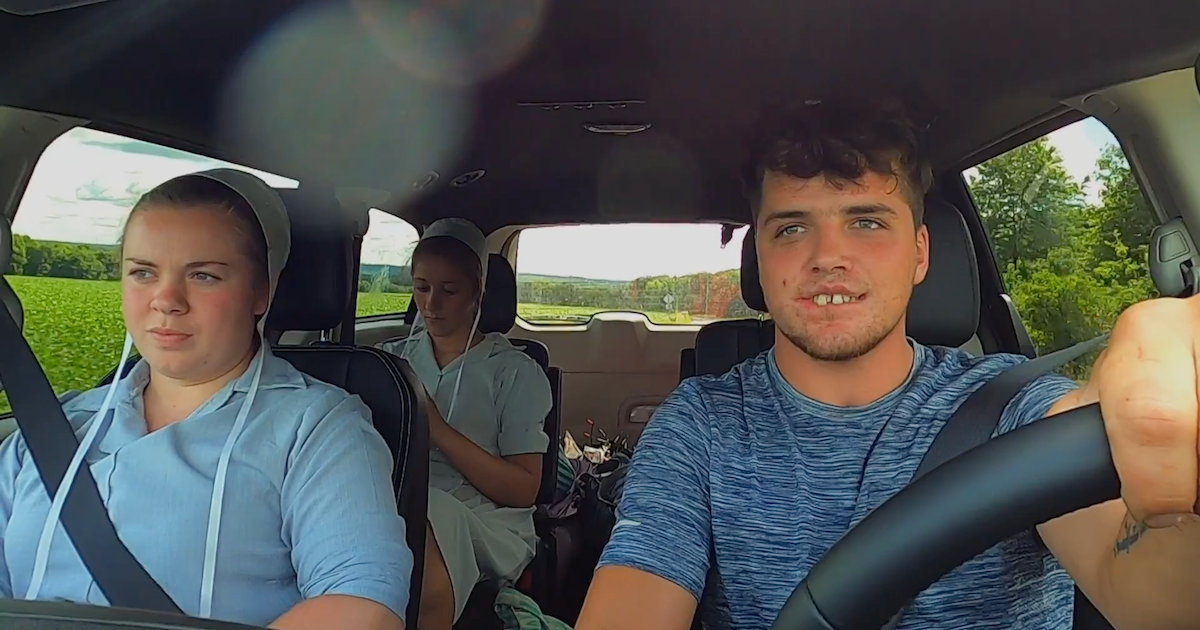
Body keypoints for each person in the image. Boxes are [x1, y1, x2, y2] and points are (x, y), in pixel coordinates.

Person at [574, 100, 1200, 630]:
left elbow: (1155, 598)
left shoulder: (1017, 407)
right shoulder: (701, 424)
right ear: (758, 262)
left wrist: (1176, 467)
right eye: (791, 229)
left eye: (867, 221)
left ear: (920, 254)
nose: (828, 257)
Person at [0, 169, 413, 630]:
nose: (166, 299)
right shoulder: (52, 428)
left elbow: (362, 602)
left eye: (203, 275)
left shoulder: (317, 428)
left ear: (261, 292)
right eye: (143, 272)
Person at [378, 218, 552, 630]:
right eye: (422, 288)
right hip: (394, 503)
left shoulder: (513, 372)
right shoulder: (388, 360)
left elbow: (523, 489)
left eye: (449, 290)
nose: (431, 304)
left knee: (424, 511)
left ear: (478, 292)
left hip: (487, 520)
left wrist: (436, 430)